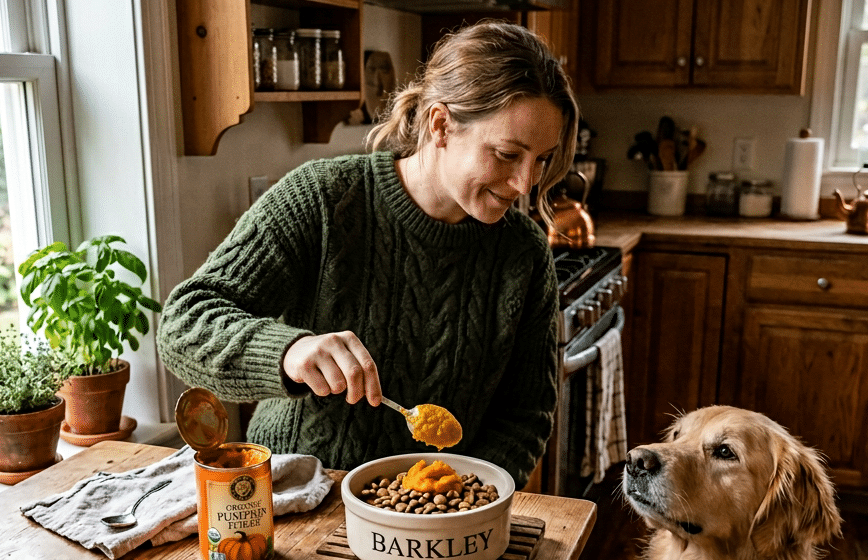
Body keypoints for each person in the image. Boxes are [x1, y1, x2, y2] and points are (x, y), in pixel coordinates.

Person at [157, 20, 579, 488]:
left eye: (540, 159)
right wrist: (289, 352)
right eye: (506, 154)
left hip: (440, 514)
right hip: (299, 494)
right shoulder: (320, 199)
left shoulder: (523, 252)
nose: (526, 184)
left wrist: (464, 494)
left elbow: (525, 413)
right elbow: (183, 324)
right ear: (440, 125)